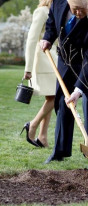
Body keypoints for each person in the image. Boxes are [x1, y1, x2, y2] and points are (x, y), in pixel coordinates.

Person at [40, 0, 88, 165]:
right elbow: (52, 22)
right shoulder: (57, 3)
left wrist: (78, 90)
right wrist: (48, 38)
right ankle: (59, 151)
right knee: (63, 101)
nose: (79, 13)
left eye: (83, 9)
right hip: (68, 58)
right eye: (75, 9)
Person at [21, 0, 57, 148]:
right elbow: (31, 39)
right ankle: (33, 125)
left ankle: (42, 137)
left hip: (55, 60)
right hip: (44, 61)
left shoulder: (57, 11)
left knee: (51, 96)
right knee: (56, 96)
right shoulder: (42, 11)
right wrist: (28, 68)